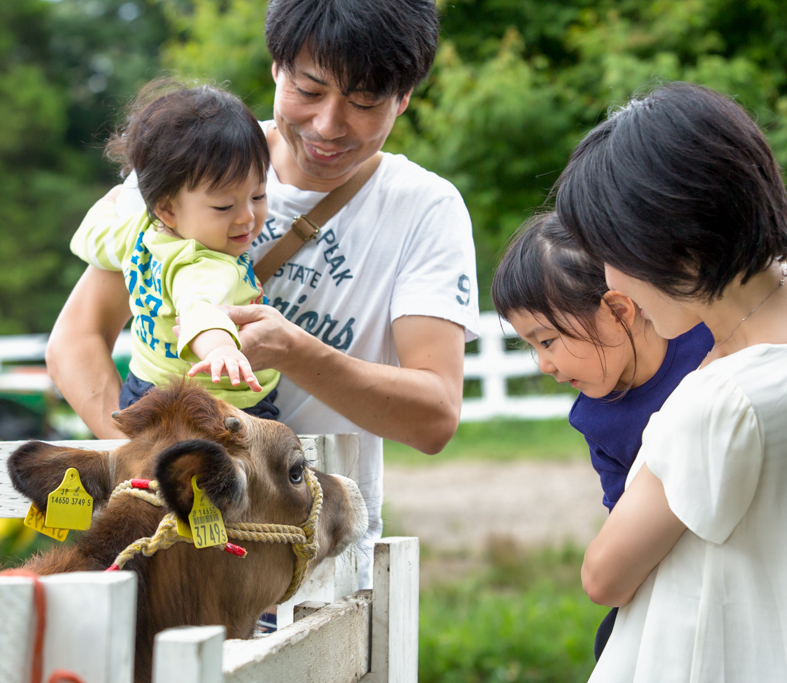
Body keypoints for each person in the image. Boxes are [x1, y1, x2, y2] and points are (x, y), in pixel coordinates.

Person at [46, 0, 480, 589]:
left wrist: (295, 351)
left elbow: (435, 417)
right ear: (276, 67)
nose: (329, 124)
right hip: (172, 553)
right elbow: (76, 339)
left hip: (313, 563)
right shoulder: (188, 158)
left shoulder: (424, 209)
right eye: (310, 89)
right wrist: (159, 469)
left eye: (364, 101)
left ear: (404, 97)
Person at [555, 81, 787, 681]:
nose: (611, 282)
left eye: (612, 254)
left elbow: (604, 575)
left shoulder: (722, 402)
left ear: (679, 249)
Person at [491, 211, 713, 660]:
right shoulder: (596, 419)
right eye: (531, 347)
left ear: (618, 309)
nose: (544, 365)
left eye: (548, 341)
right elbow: (625, 527)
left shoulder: (707, 334)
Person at [71, 80, 280, 417]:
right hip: (215, 406)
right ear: (168, 208)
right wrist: (222, 351)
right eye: (224, 207)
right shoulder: (203, 263)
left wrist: (112, 201)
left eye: (258, 196)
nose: (248, 217)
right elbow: (201, 309)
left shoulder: (137, 229)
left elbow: (89, 239)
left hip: (141, 389)